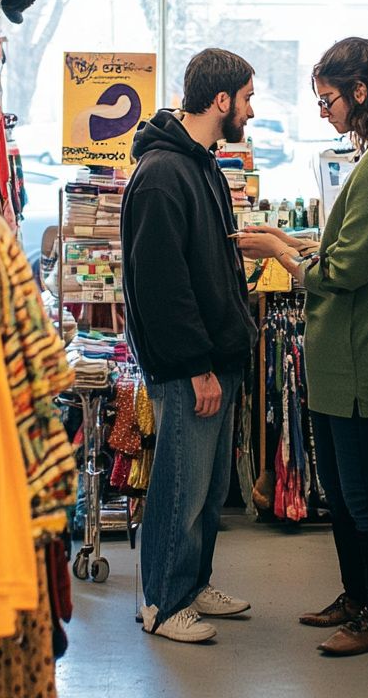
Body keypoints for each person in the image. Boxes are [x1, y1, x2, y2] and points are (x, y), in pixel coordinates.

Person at [237, 37, 368, 656]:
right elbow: (348, 248)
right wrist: (293, 239)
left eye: (328, 100)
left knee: (364, 490)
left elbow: (345, 270)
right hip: (347, 355)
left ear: (361, 93)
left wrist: (279, 253)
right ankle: (358, 596)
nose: (325, 112)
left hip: (359, 358)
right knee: (345, 491)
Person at [120, 48, 259, 644]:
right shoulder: (162, 174)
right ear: (221, 100)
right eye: (248, 99)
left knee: (204, 490)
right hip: (190, 366)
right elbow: (160, 286)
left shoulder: (198, 163)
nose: (251, 112)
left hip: (215, 356)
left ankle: (193, 583)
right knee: (179, 486)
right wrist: (198, 365)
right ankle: (163, 602)